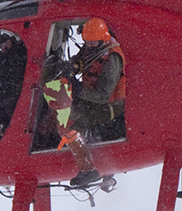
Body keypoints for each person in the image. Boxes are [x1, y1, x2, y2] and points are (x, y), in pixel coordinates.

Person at [42, 19, 125, 188]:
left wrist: (78, 88)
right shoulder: (92, 48)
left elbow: (102, 95)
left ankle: (88, 169)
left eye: (93, 42)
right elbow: (81, 60)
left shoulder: (112, 58)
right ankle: (49, 143)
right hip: (90, 100)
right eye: (87, 42)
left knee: (67, 123)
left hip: (107, 108)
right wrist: (73, 67)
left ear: (103, 39)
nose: (90, 45)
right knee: (56, 111)